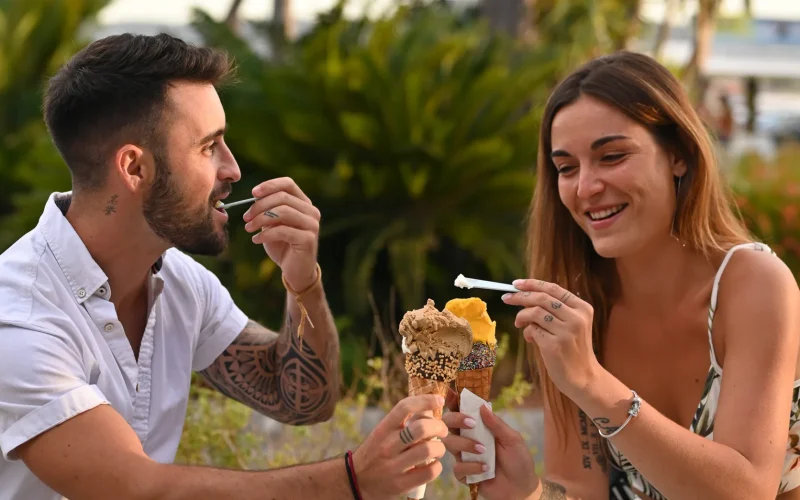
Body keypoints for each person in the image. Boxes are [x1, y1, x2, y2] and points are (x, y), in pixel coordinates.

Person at [0, 33, 447, 500]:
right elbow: (135, 489)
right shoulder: (20, 319)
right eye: (208, 146)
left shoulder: (178, 282)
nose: (232, 169)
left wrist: (303, 282)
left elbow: (300, 400)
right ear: (134, 168)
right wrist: (354, 480)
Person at [443, 51, 800, 500]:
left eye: (611, 156)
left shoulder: (753, 284)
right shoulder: (578, 309)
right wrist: (527, 492)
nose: (585, 187)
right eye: (566, 167)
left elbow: (747, 491)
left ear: (679, 156)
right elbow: (580, 489)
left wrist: (591, 382)